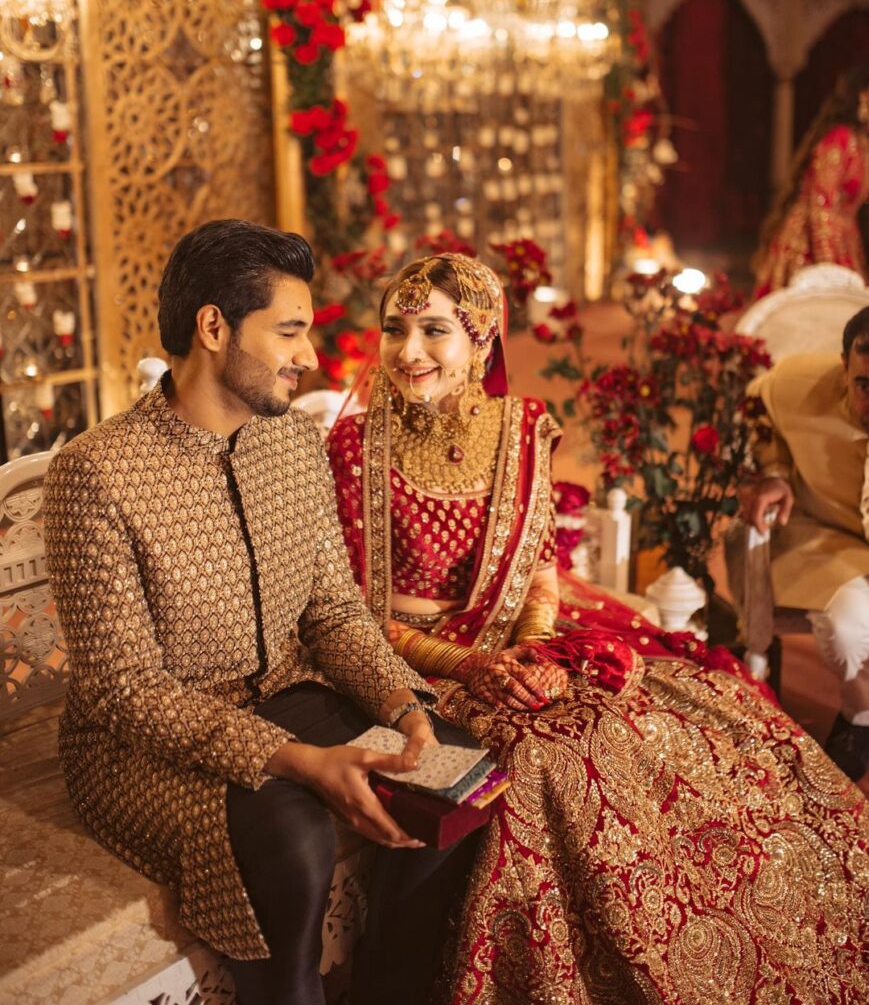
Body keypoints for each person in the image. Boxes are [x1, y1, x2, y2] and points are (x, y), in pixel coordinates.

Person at [326, 253, 869, 1005]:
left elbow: (541, 569)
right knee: (550, 758)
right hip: (412, 665)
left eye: (433, 330)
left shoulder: (521, 431)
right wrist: (472, 665)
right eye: (394, 329)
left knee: (697, 720)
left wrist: (536, 648)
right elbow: (348, 613)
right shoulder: (353, 450)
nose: (407, 351)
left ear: (481, 338)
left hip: (518, 647)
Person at [43, 220, 480, 1005]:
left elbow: (333, 610)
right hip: (141, 746)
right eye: (287, 331)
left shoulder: (291, 444)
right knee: (295, 841)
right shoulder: (96, 474)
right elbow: (124, 691)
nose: (307, 357)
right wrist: (296, 761)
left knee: (449, 766)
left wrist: (402, 705)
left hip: (287, 689)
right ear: (213, 327)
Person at [739, 305, 869, 784]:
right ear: (844, 366)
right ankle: (860, 716)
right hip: (836, 544)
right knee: (841, 628)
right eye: (865, 386)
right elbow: (756, 409)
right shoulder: (797, 385)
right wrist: (772, 474)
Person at [753, 63, 869, 299]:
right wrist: (829, 269)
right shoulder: (840, 139)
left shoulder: (863, 145)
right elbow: (821, 206)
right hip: (811, 244)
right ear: (863, 97)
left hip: (846, 242)